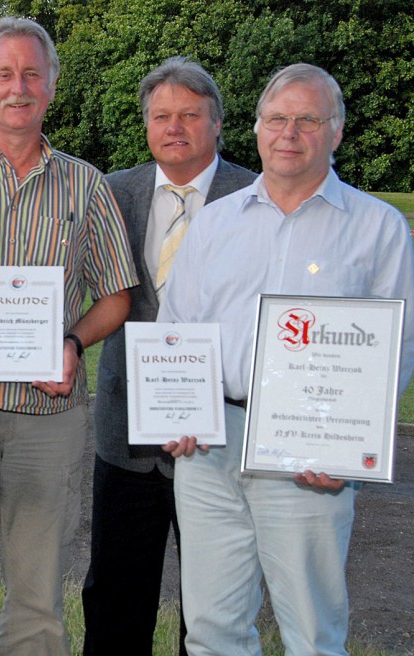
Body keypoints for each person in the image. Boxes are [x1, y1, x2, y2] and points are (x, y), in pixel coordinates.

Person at [158, 63, 414, 655]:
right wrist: (176, 409)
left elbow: (395, 349)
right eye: (277, 119)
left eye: (307, 120)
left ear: (337, 131)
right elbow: (178, 328)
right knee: (213, 629)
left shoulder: (378, 229)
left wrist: (347, 446)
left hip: (309, 452)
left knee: (312, 633)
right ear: (256, 128)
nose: (289, 133)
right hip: (210, 445)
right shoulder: (216, 222)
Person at [0, 17, 138, 655]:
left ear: (52, 87)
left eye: (32, 74)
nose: (19, 87)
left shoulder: (86, 185)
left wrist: (72, 342)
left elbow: (117, 294)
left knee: (39, 601)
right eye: (5, 74)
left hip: (50, 419)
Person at [81, 56, 255, 656]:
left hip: (220, 439)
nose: (174, 127)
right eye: (161, 116)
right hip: (125, 432)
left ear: (217, 124)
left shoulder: (255, 198)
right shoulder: (115, 190)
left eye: (189, 115)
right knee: (114, 596)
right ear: (147, 124)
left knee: (212, 601)